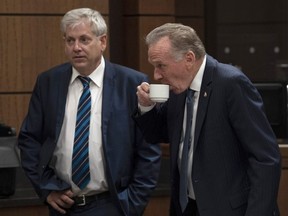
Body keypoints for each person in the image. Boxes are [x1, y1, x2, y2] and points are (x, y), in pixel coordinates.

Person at [17, 8, 161, 216]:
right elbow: (29, 140)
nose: (76, 48)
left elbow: (148, 148)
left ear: (102, 42)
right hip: (62, 204)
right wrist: (46, 189)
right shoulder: (49, 82)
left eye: (84, 40)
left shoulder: (131, 83)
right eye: (70, 41)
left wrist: (131, 205)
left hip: (112, 204)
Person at [133, 23, 281, 216]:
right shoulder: (179, 87)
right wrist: (146, 106)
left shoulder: (230, 83)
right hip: (188, 208)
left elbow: (266, 159)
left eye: (161, 66)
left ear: (189, 58)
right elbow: (157, 133)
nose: (156, 75)